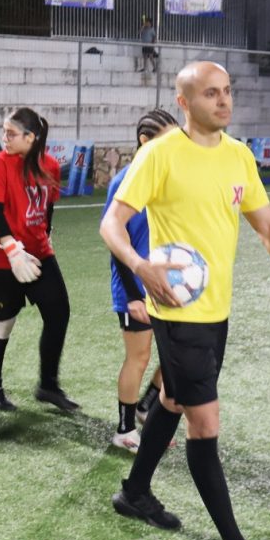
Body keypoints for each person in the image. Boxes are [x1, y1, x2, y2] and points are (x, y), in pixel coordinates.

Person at [100, 61, 270, 540]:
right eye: (210, 94)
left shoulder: (238, 155)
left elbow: (266, 224)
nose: (223, 101)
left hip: (216, 312)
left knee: (173, 401)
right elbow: (112, 222)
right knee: (204, 424)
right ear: (185, 103)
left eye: (227, 91)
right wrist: (140, 265)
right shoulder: (160, 155)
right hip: (178, 315)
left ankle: (134, 492)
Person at [0, 107, 78, 414]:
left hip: (39, 253)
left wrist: (46, 236)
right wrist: (12, 250)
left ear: (31, 137)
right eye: (4, 132)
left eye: (11, 133)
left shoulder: (50, 165)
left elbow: (48, 208)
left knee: (59, 313)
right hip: (0, 257)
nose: (4, 138)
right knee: (3, 321)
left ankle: (48, 385)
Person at [101, 109, 178, 454]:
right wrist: (133, 294)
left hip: (167, 284)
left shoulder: (169, 178)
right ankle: (125, 429)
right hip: (133, 285)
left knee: (179, 353)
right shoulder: (125, 181)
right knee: (140, 356)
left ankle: (147, 406)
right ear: (145, 141)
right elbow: (117, 241)